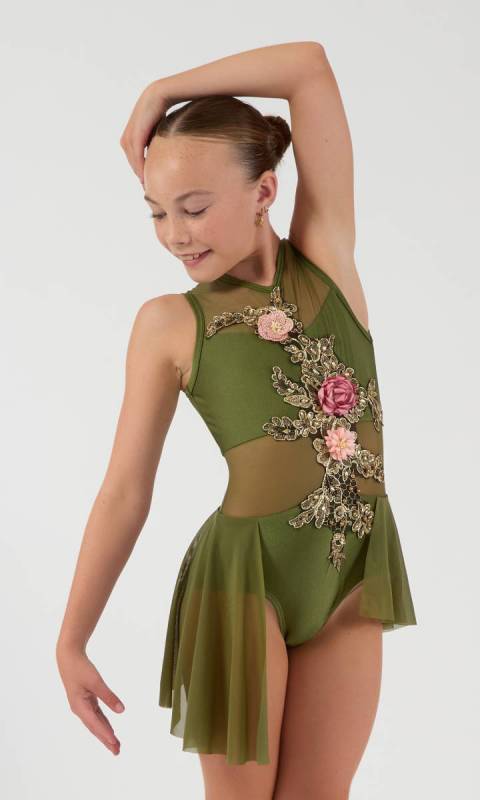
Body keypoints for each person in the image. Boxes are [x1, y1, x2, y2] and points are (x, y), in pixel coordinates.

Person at [56, 41, 417, 800]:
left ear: (265, 191)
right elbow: (124, 491)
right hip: (242, 584)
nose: (175, 234)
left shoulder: (326, 260)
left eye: (193, 208)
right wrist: (72, 639)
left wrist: (162, 89)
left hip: (353, 575)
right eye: (157, 212)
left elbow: (307, 67)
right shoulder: (169, 324)